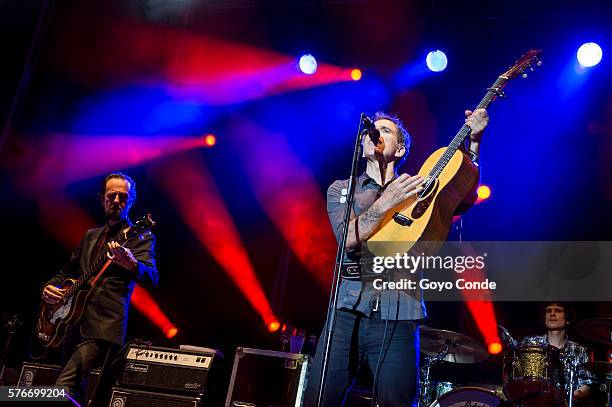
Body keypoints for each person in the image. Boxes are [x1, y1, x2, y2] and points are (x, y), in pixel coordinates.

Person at [304, 109, 489, 406]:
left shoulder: (418, 189)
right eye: (371, 130)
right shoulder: (342, 189)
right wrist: (386, 203)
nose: (374, 133)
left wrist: (475, 143)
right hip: (346, 311)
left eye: (385, 130)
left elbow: (463, 196)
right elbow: (348, 238)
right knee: (319, 400)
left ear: (400, 149)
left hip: (401, 311)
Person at [41, 172, 158, 405]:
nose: (116, 201)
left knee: (61, 389)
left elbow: (152, 276)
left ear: (131, 200)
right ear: (102, 199)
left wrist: (132, 264)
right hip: (71, 325)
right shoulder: (90, 236)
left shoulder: (140, 236)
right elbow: (68, 272)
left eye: (122, 197)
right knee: (74, 394)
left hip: (103, 328)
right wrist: (50, 287)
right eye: (111, 196)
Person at [522, 302, 594, 403]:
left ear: (568, 319)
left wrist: (569, 396)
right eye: (548, 311)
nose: (552, 314)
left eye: (558, 311)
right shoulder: (531, 343)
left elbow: (587, 384)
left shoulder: (579, 350)